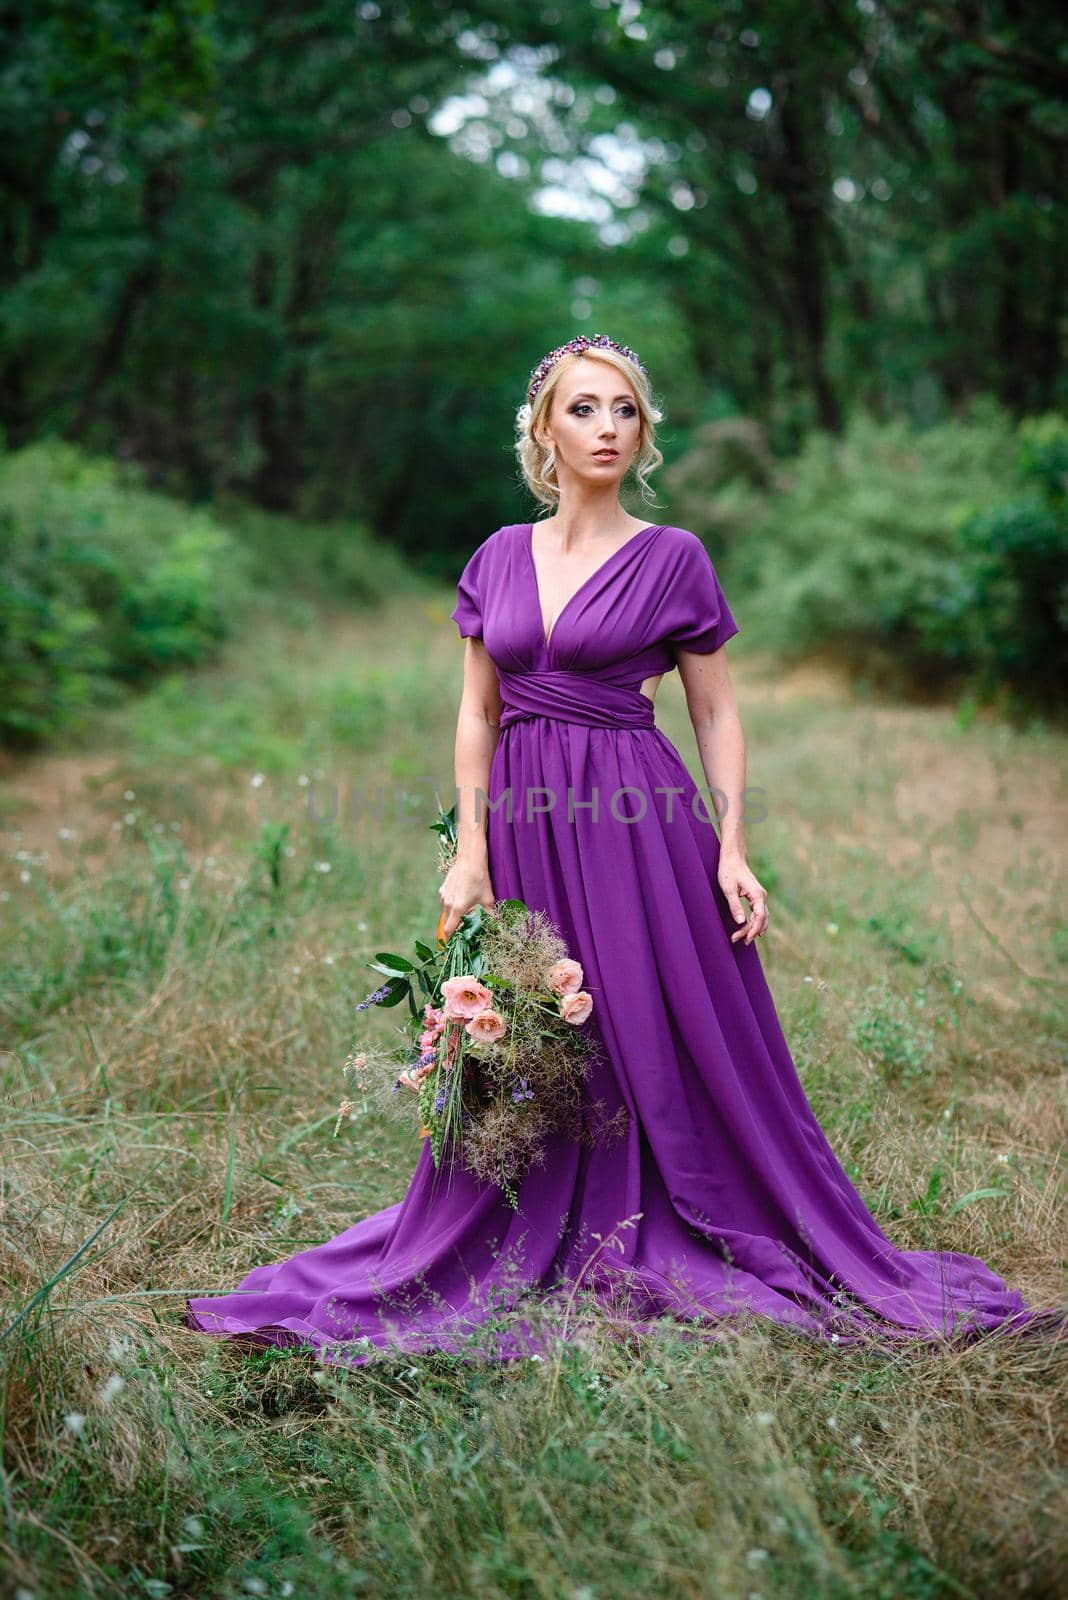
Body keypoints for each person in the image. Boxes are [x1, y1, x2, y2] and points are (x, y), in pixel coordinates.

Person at [186, 334, 1058, 1366]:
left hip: (638, 819)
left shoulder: (673, 555)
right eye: (585, 409)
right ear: (545, 431)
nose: (607, 428)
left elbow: (718, 713)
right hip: (522, 817)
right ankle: (525, 1220)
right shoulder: (496, 555)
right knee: (532, 1028)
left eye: (626, 411)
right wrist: (470, 850)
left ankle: (681, 1213)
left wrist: (732, 845)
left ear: (643, 433)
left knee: (652, 1017)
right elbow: (478, 712)